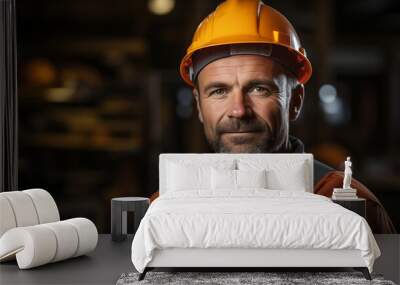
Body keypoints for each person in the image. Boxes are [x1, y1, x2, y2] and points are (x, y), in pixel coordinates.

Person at [150, 0, 396, 233]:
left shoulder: (349, 205)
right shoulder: (164, 208)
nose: (239, 110)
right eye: (219, 91)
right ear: (199, 106)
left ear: (295, 101)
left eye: (259, 89)